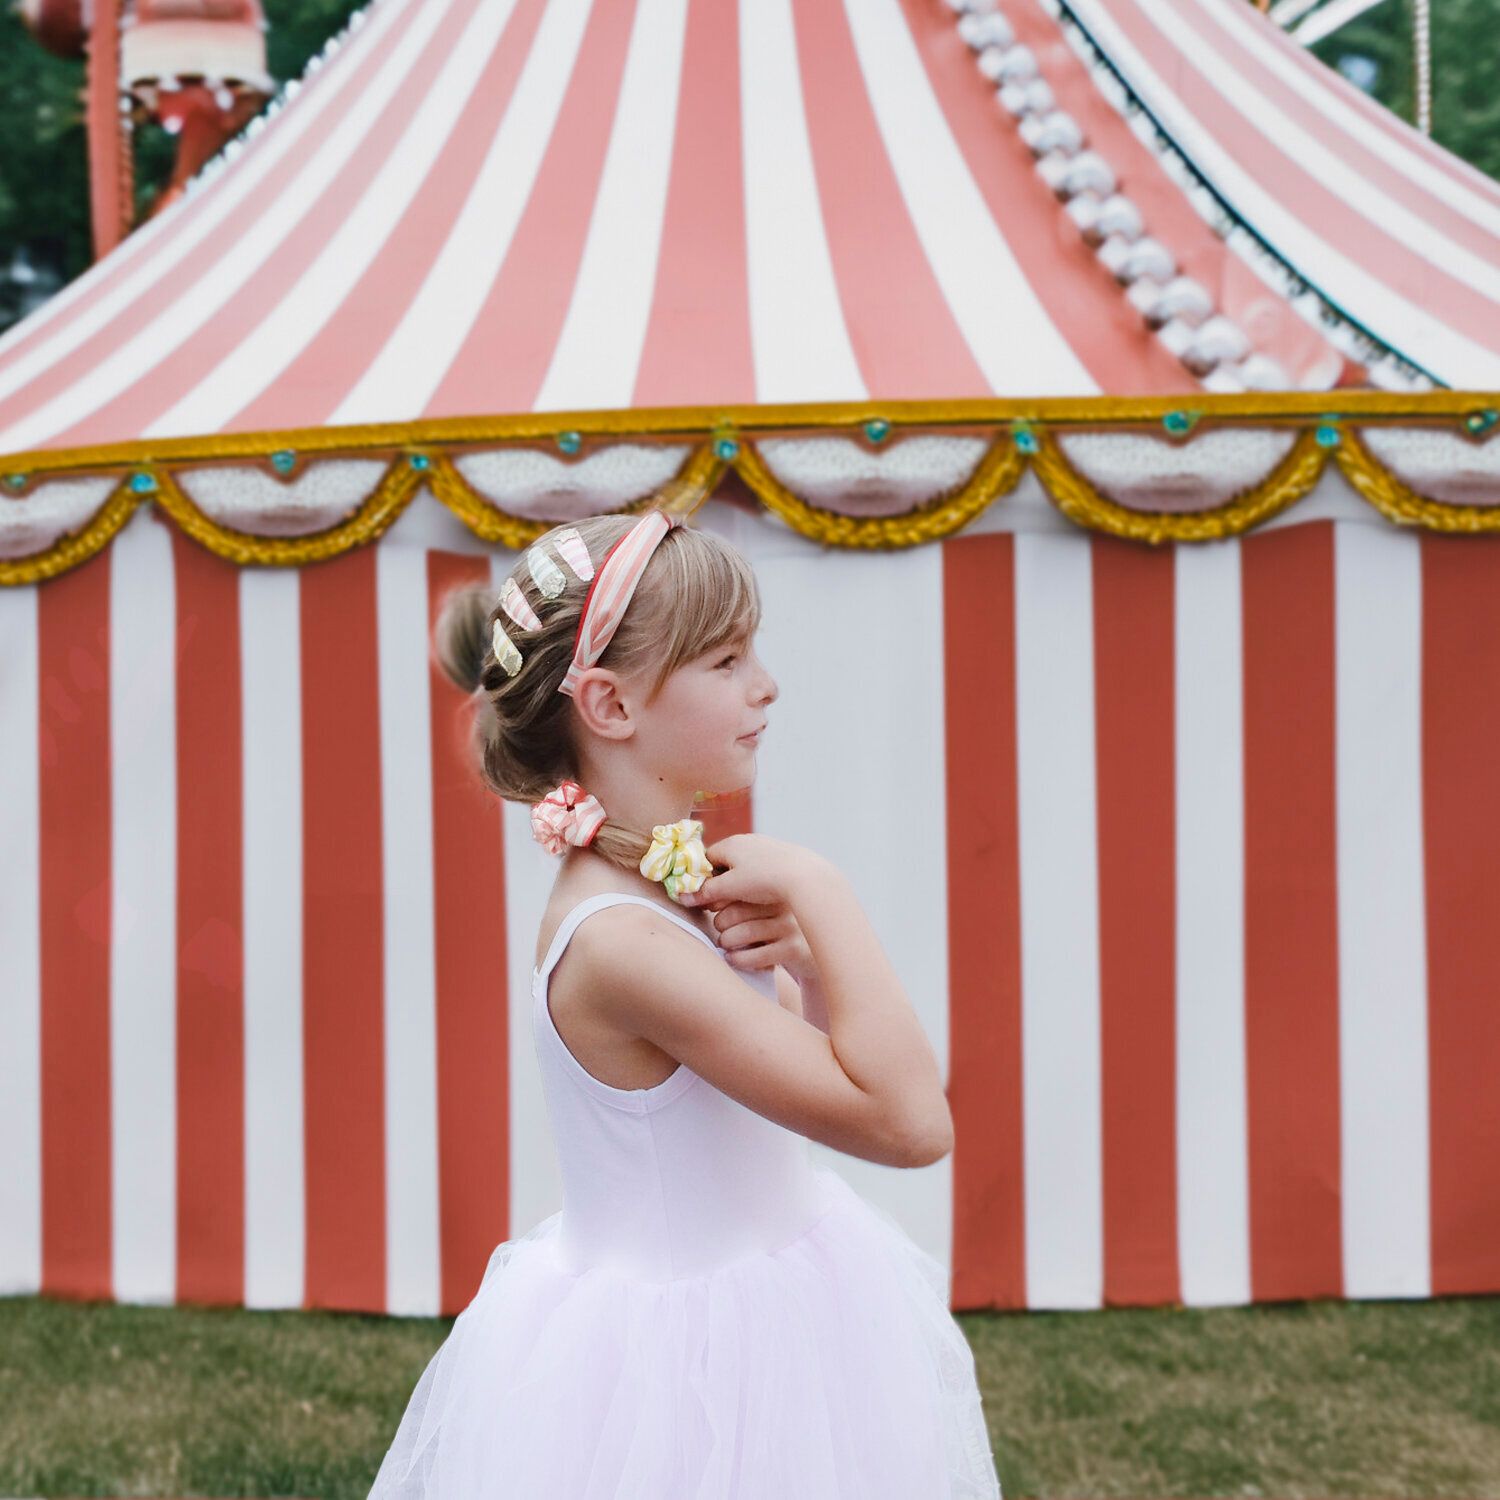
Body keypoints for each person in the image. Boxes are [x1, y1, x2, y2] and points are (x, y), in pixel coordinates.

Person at [367, 507, 1003, 1498]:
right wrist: (823, 891)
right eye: (725, 660)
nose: (765, 684)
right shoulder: (622, 944)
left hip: (768, 1300)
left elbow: (851, 1073)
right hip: (682, 1371)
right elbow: (909, 1123)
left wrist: (809, 965)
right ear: (611, 705)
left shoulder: (667, 889)